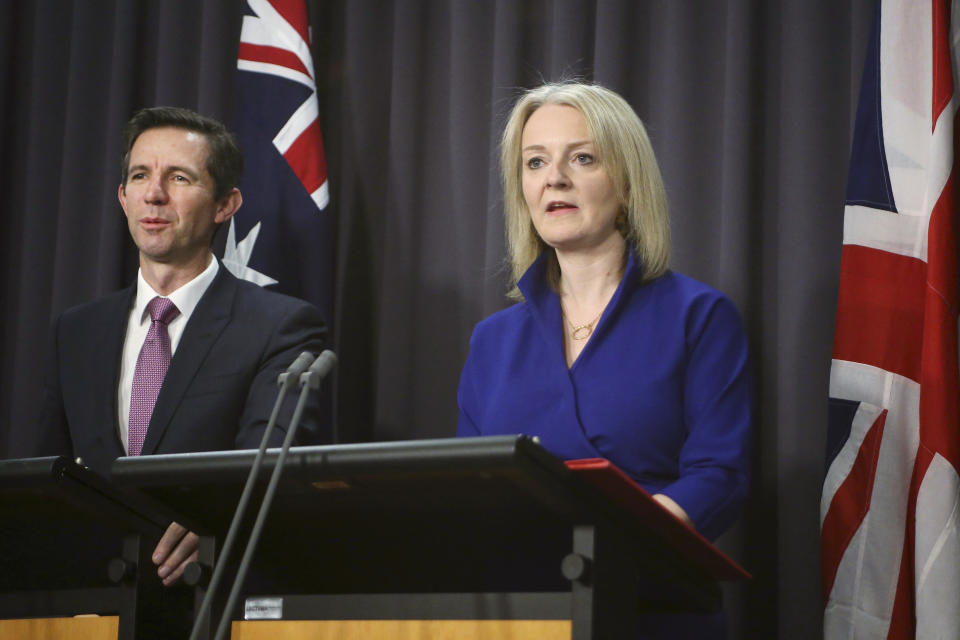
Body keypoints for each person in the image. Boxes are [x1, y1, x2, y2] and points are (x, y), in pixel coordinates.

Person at [456, 82, 752, 637]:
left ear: (629, 184)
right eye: (535, 162)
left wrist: (625, 541)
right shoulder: (491, 341)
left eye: (582, 158)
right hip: (521, 616)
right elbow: (473, 488)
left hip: (650, 605)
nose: (554, 179)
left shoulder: (699, 316)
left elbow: (720, 474)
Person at [18, 106, 329, 587]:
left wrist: (213, 523)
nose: (155, 194)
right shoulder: (76, 331)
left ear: (225, 205)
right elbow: (48, 477)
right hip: (91, 602)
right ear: (123, 198)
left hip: (208, 593)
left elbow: (269, 470)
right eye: (140, 176)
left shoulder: (280, 327)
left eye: (179, 178)